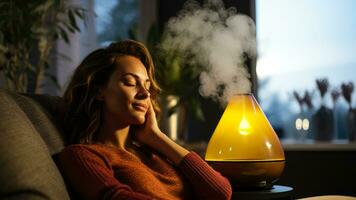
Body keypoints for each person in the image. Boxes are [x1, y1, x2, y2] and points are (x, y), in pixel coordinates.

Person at [58, 40, 232, 200]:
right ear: (98, 91)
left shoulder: (153, 152)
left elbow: (220, 192)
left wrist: (157, 137)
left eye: (147, 86)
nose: (145, 93)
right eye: (130, 82)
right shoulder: (82, 155)